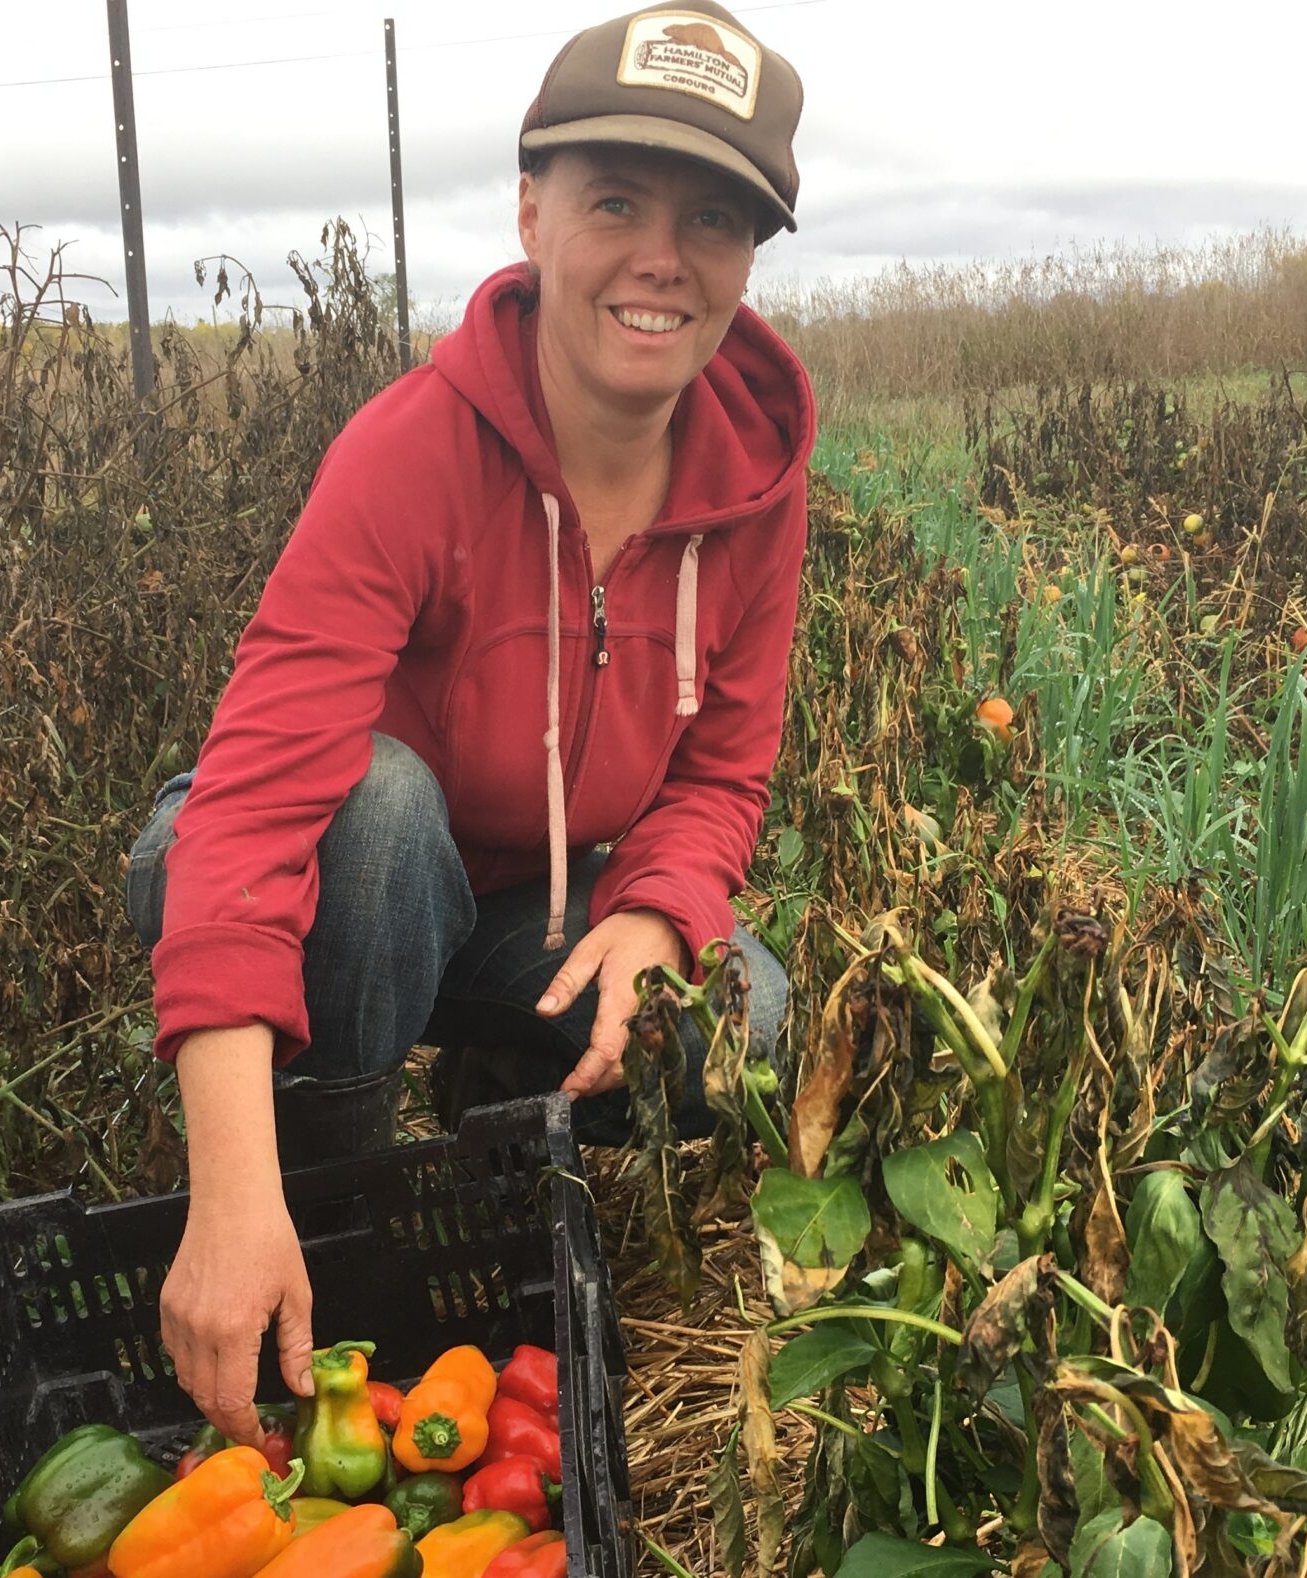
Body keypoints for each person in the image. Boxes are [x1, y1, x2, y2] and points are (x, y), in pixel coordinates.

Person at [127, 1, 814, 1441]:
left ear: (747, 261)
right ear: (531, 211)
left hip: (524, 909)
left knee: (738, 1018)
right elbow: (257, 809)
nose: (659, 258)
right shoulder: (412, 451)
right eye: (612, 200)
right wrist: (232, 1197)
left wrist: (662, 910)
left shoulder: (755, 484)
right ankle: (321, 1199)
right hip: (345, 884)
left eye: (711, 220)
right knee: (376, 815)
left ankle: (507, 1074)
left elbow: (723, 771)